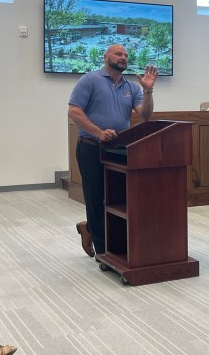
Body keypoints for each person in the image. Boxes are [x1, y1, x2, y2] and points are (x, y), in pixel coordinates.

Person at [68, 44, 158, 258]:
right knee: (96, 197)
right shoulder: (90, 79)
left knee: (117, 197)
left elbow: (145, 115)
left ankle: (89, 228)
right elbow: (74, 111)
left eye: (126, 55)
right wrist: (98, 132)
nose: (123, 57)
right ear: (106, 56)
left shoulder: (132, 86)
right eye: (118, 54)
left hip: (119, 149)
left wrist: (147, 90)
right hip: (91, 147)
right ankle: (104, 252)